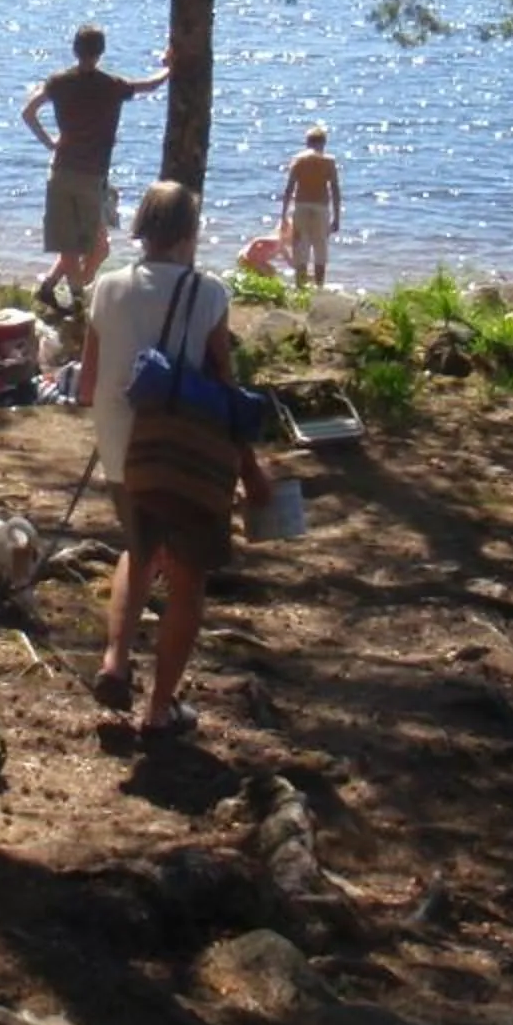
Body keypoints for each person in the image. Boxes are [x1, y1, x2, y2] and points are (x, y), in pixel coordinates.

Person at [78, 180, 270, 741]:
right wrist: (251, 470)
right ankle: (160, 713)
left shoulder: (105, 288)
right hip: (185, 454)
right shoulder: (208, 293)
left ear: (141, 229)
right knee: (186, 580)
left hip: (122, 450)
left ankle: (115, 660)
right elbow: (225, 391)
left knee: (139, 553)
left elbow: (88, 384)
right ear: (190, 233)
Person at [20, 25, 172, 320]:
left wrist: (50, 142)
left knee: (82, 244)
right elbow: (150, 86)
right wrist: (169, 69)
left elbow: (29, 112)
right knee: (90, 245)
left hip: (62, 170)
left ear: (75, 50)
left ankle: (54, 288)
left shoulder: (59, 82)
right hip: (91, 176)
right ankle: (78, 302)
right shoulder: (110, 85)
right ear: (100, 52)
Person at [277, 124, 343, 287]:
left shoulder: (298, 160)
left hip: (301, 207)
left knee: (300, 249)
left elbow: (289, 188)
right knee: (320, 250)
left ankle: (300, 289)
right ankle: (319, 288)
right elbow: (335, 190)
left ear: (307, 143)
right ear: (323, 143)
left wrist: (284, 215)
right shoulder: (329, 161)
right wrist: (336, 217)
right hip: (321, 208)